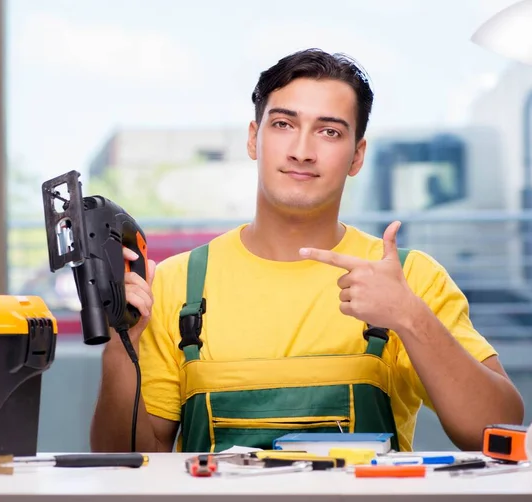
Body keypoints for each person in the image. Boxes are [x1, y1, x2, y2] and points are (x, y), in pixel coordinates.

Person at [90, 48, 524, 454]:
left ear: (357, 156)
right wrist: (120, 346)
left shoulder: (408, 277)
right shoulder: (176, 283)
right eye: (283, 125)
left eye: (329, 131)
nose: (301, 151)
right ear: (253, 139)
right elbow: (127, 461)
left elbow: (498, 430)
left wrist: (410, 317)